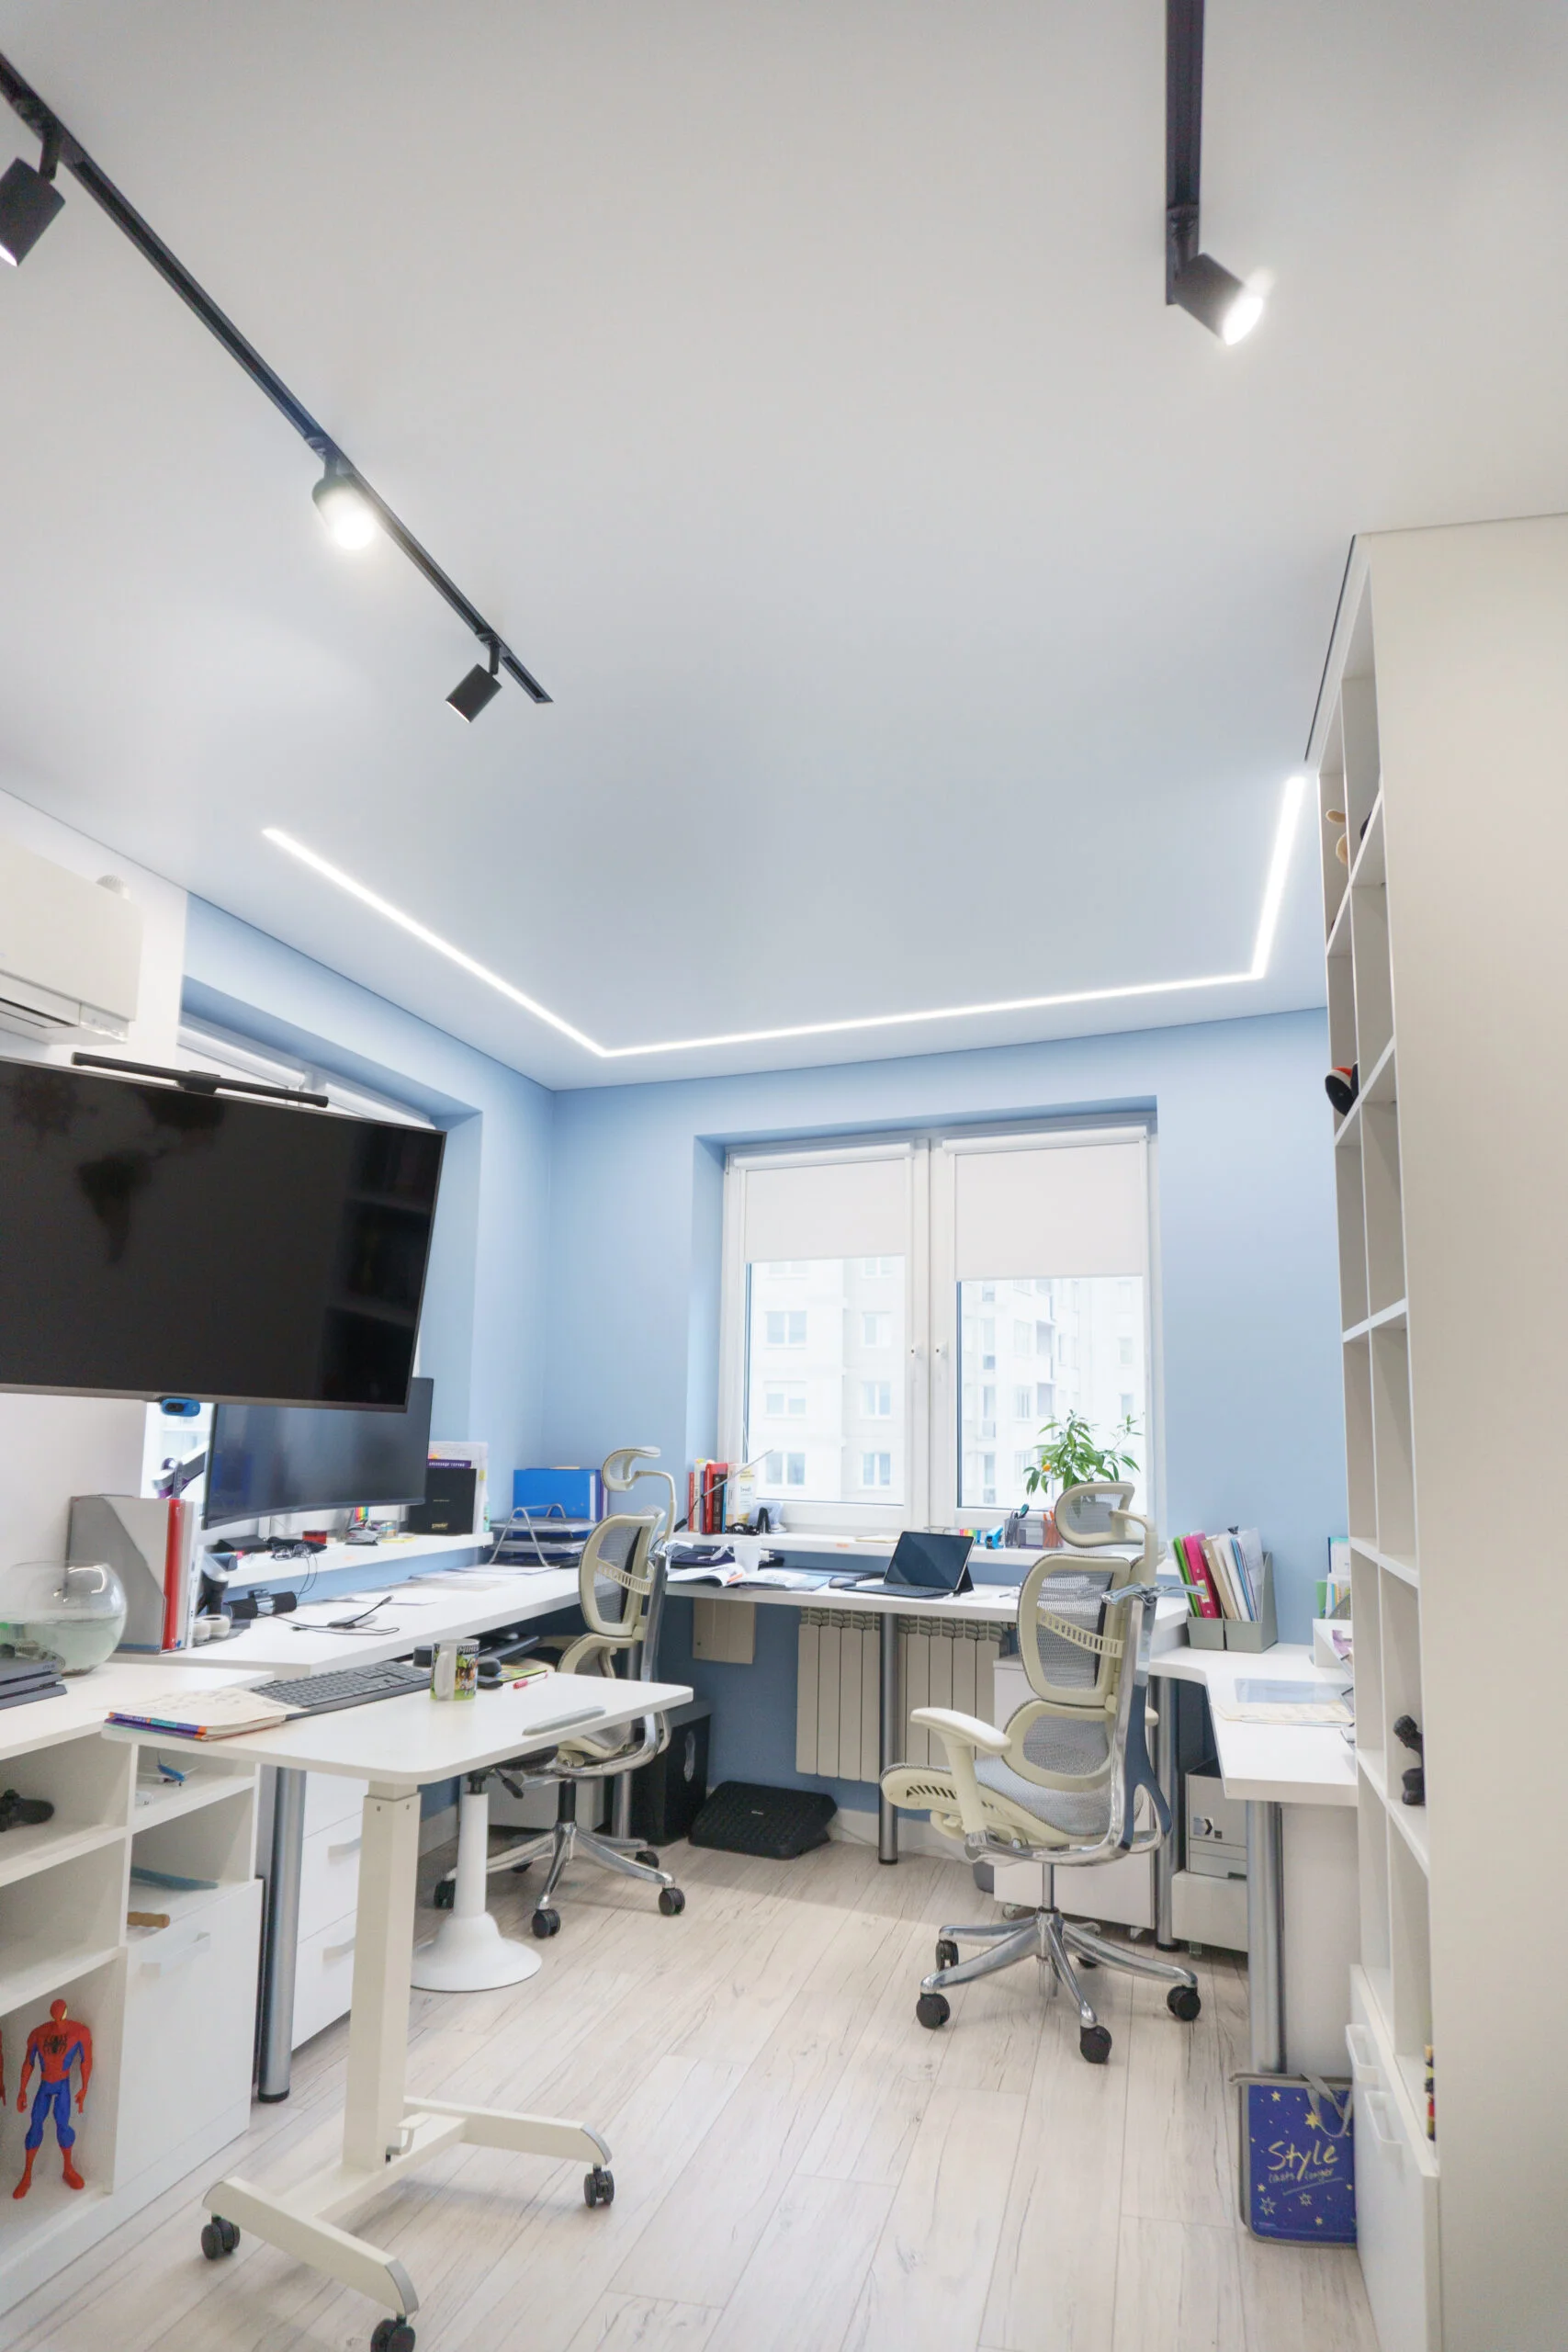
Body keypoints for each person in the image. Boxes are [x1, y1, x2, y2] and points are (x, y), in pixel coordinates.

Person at [14, 1997, 92, 2198]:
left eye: (61, 2017)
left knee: (62, 2124)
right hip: (45, 2084)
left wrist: (84, 2088)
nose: (58, 2022)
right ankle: (27, 2175)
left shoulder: (78, 2032)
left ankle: (68, 2169)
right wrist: (22, 2090)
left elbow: (86, 2060)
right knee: (35, 2124)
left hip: (62, 2084)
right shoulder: (38, 2033)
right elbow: (28, 2062)